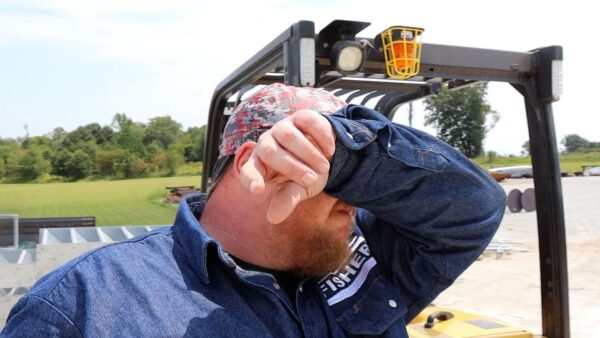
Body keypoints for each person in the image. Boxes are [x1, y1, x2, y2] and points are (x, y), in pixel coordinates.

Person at [1, 83, 506, 337]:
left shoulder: (365, 258)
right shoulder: (83, 306)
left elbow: (473, 209)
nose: (356, 200)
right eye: (326, 170)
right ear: (253, 166)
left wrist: (358, 156)